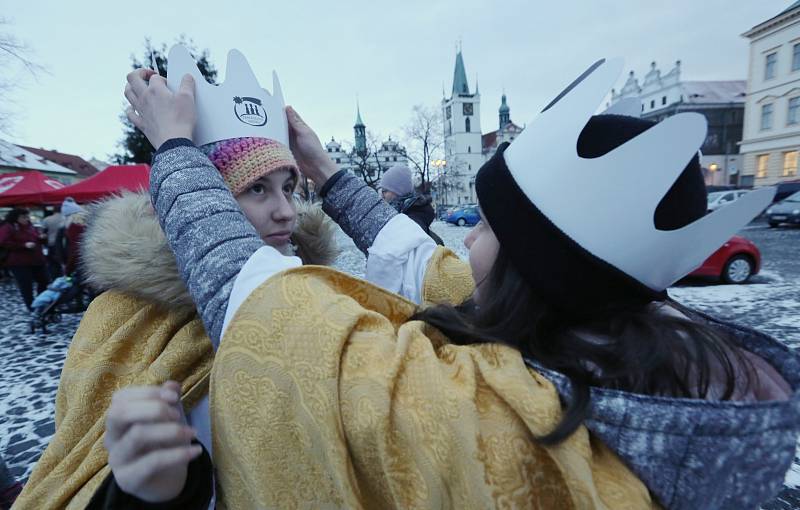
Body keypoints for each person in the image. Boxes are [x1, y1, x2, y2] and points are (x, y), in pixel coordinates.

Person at [97, 61, 797, 509]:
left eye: (488, 227)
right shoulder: (628, 335)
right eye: (257, 190)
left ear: (535, 273)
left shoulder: (489, 420)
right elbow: (435, 271)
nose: (463, 243)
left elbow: (285, 324)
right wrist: (334, 180)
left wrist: (176, 154)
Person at [12, 135, 343, 508]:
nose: (286, 211)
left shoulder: (311, 292)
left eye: (288, 188)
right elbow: (85, 453)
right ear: (199, 201)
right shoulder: (118, 314)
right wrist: (145, 494)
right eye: (257, 189)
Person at [380, 164, 444, 245]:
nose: (382, 195)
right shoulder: (408, 211)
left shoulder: (410, 220)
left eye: (385, 191)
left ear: (398, 191)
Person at [0, 208, 49, 310]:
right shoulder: (9, 227)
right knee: (26, 286)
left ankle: (40, 302)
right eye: (23, 217)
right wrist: (23, 245)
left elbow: (36, 239)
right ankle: (31, 307)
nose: (26, 219)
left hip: (37, 260)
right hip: (19, 262)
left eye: (27, 216)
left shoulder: (30, 226)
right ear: (16, 217)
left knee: (44, 280)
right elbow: (3, 242)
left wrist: (42, 238)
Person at [41, 208, 65, 279]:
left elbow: (43, 232)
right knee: (62, 262)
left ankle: (55, 279)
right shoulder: (65, 218)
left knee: (53, 264)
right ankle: (64, 279)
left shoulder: (47, 219)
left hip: (51, 244)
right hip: (63, 244)